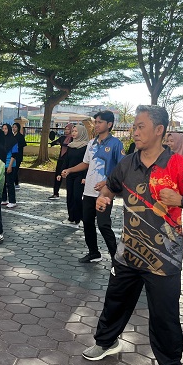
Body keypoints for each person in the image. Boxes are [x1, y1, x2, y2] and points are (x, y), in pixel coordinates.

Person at [81, 105, 183, 365]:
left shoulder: (180, 165)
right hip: (129, 251)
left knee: (165, 315)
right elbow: (110, 187)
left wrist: (181, 200)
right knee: (115, 301)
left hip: (164, 256)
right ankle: (106, 342)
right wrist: (104, 198)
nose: (135, 132)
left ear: (159, 130)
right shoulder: (127, 163)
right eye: (134, 127)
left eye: (140, 126)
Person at [62, 111, 125, 263]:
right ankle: (94, 253)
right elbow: (86, 163)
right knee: (87, 222)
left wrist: (107, 182)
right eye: (95, 122)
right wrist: (70, 170)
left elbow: (122, 168)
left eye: (99, 122)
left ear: (109, 124)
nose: (96, 125)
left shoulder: (116, 144)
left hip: (105, 193)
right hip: (89, 191)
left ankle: (116, 259)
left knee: (103, 225)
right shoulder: (91, 143)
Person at [59, 125, 90, 226]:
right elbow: (66, 160)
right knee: (70, 196)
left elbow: (87, 163)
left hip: (80, 175)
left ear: (81, 132)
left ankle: (81, 218)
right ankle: (71, 218)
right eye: (73, 131)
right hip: (70, 174)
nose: (73, 133)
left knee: (77, 197)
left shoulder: (86, 146)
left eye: (76, 131)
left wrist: (85, 177)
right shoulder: (71, 146)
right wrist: (62, 171)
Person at [48, 123, 74, 200]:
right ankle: (55, 193)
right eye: (65, 129)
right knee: (58, 175)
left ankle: (71, 195)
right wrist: (53, 142)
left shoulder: (73, 139)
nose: (66, 131)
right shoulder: (62, 138)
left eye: (68, 129)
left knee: (70, 177)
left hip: (69, 160)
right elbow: (54, 142)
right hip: (61, 159)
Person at [0, 123, 18, 208]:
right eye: (3, 128)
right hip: (2, 164)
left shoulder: (13, 140)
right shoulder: (1, 140)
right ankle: (4, 199)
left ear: (9, 130)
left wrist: (10, 166)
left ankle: (12, 201)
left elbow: (14, 154)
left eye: (6, 129)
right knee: (2, 183)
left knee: (10, 183)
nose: (4, 130)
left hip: (10, 164)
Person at [12, 122, 27, 189]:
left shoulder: (20, 136)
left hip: (18, 155)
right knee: (13, 169)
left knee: (15, 169)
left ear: (18, 128)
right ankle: (16, 183)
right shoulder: (12, 136)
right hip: (12, 155)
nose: (14, 128)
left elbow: (23, 145)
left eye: (15, 127)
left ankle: (13, 183)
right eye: (13, 127)